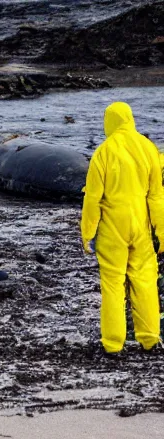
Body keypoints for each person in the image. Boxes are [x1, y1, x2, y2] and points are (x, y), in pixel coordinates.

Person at [81, 101, 164, 354]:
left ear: (110, 122)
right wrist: (161, 231)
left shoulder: (103, 152)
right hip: (141, 223)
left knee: (113, 283)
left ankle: (113, 343)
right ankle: (150, 338)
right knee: (145, 280)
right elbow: (156, 197)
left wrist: (87, 233)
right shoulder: (148, 148)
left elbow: (92, 198)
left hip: (111, 226)